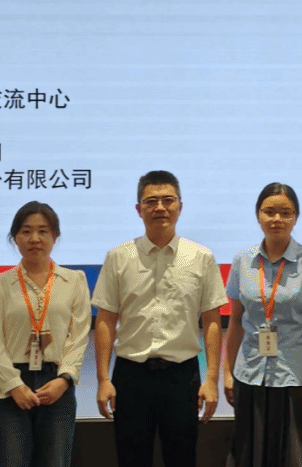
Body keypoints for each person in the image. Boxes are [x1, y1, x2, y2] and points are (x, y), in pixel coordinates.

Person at [92, 170, 227, 467]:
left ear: (180, 206)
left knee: (182, 458)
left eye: (168, 200)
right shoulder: (118, 257)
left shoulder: (201, 257)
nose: (160, 208)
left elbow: (212, 321)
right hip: (131, 376)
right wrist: (103, 379)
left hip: (182, 377)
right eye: (151, 201)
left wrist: (211, 379)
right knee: (131, 459)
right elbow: (105, 320)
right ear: (138, 209)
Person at [224, 182, 302, 467]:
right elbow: (235, 322)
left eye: (286, 213)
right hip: (250, 376)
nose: (277, 219)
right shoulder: (242, 262)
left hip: (295, 379)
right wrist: (227, 373)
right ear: (258, 215)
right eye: (269, 212)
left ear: (296, 217)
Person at [0, 201, 91, 467]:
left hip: (57, 384)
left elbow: (78, 337)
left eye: (43, 231)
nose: (35, 238)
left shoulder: (74, 281)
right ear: (15, 237)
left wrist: (64, 380)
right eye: (26, 231)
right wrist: (14, 386)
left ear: (55, 236)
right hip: (10, 388)